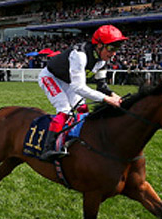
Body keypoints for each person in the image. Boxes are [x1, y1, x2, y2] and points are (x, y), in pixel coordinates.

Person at [37, 24, 127, 161]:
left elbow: (102, 86)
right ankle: (48, 149)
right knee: (65, 110)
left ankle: (77, 142)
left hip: (67, 82)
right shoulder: (80, 55)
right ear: (99, 46)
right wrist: (106, 99)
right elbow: (79, 87)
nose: (114, 53)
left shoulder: (101, 61)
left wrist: (113, 95)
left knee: (82, 109)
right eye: (111, 48)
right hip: (50, 77)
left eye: (117, 48)